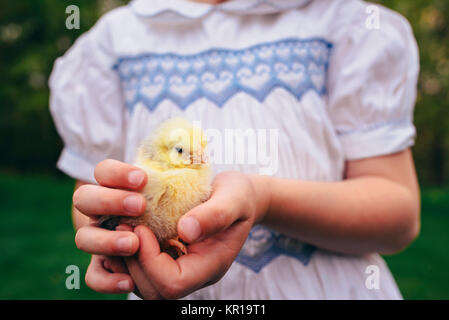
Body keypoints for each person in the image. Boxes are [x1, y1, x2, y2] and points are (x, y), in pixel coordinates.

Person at [49, 0, 420, 299]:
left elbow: (398, 216)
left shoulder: (347, 25)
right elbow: (91, 192)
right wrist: (112, 230)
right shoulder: (113, 43)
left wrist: (265, 199)